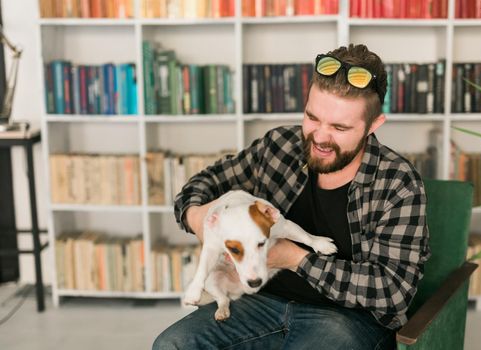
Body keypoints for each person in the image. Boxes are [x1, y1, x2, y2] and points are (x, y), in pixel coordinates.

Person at [153, 43, 430, 350]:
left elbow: (392, 291)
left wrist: (295, 258)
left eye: (339, 127)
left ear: (373, 125)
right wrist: (201, 221)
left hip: (350, 317)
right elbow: (203, 184)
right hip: (261, 301)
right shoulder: (280, 146)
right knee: (171, 345)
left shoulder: (398, 182)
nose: (320, 137)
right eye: (312, 118)